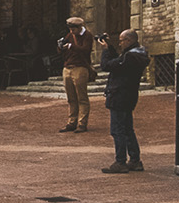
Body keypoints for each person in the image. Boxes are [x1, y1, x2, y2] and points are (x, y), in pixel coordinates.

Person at [100, 28, 149, 173]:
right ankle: (135, 160)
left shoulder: (130, 58)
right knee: (128, 129)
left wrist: (104, 52)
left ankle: (120, 161)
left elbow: (107, 65)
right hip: (129, 95)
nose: (120, 43)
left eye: (121, 41)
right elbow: (118, 62)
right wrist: (109, 48)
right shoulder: (137, 55)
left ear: (129, 40)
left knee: (118, 130)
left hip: (119, 95)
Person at [57, 17, 95, 133]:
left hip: (80, 68)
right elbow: (62, 52)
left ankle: (82, 123)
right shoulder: (69, 35)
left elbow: (85, 50)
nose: (71, 32)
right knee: (71, 98)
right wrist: (60, 47)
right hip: (67, 68)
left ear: (79, 27)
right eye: (70, 29)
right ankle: (71, 122)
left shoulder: (87, 36)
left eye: (73, 29)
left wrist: (71, 46)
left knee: (81, 97)